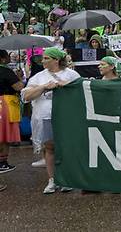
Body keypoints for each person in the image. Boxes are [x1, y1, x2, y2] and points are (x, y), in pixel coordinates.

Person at [21, 47, 80, 194]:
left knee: (66, 147)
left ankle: (66, 179)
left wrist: (66, 86)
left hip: (67, 117)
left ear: (56, 60)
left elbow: (82, 90)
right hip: (45, 116)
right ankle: (52, 180)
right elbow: (26, 96)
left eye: (47, 58)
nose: (43, 61)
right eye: (43, 58)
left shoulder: (71, 74)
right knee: (49, 147)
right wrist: (44, 87)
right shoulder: (39, 77)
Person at [0, 50, 24, 174]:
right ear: (3, 59)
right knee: (4, 133)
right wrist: (19, 77)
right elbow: (18, 87)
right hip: (5, 103)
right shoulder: (6, 71)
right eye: (7, 57)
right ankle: (2, 163)